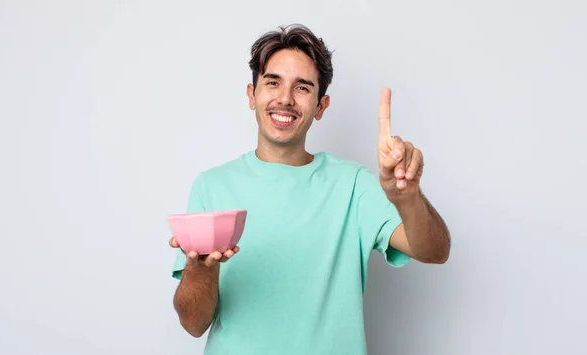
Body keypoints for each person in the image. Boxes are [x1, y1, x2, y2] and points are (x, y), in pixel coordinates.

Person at [168, 24, 451, 355]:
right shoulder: (212, 186)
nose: (285, 99)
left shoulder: (353, 186)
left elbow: (435, 251)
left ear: (321, 105)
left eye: (302, 87)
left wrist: (408, 198)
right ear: (251, 94)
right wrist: (199, 271)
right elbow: (193, 324)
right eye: (273, 82)